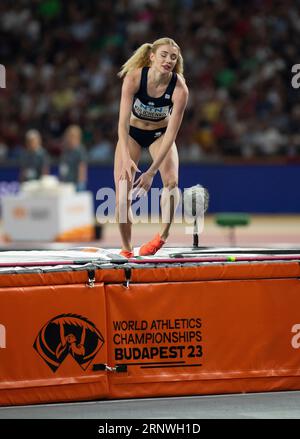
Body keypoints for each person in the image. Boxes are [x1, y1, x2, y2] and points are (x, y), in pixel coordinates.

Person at [114, 37, 188, 257]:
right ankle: (127, 249)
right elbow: (121, 123)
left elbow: (171, 134)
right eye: (164, 55)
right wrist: (126, 157)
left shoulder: (180, 88)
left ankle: (161, 238)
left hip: (160, 135)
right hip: (132, 134)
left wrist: (151, 172)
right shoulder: (134, 78)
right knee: (121, 194)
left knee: (172, 182)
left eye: (173, 57)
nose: (168, 60)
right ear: (152, 56)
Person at [59, 125, 87, 191]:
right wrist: (61, 179)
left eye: (72, 136)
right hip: (65, 183)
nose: (69, 139)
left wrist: (81, 182)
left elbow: (82, 167)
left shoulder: (80, 151)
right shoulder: (65, 150)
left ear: (77, 138)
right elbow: (63, 166)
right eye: (68, 136)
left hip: (76, 183)